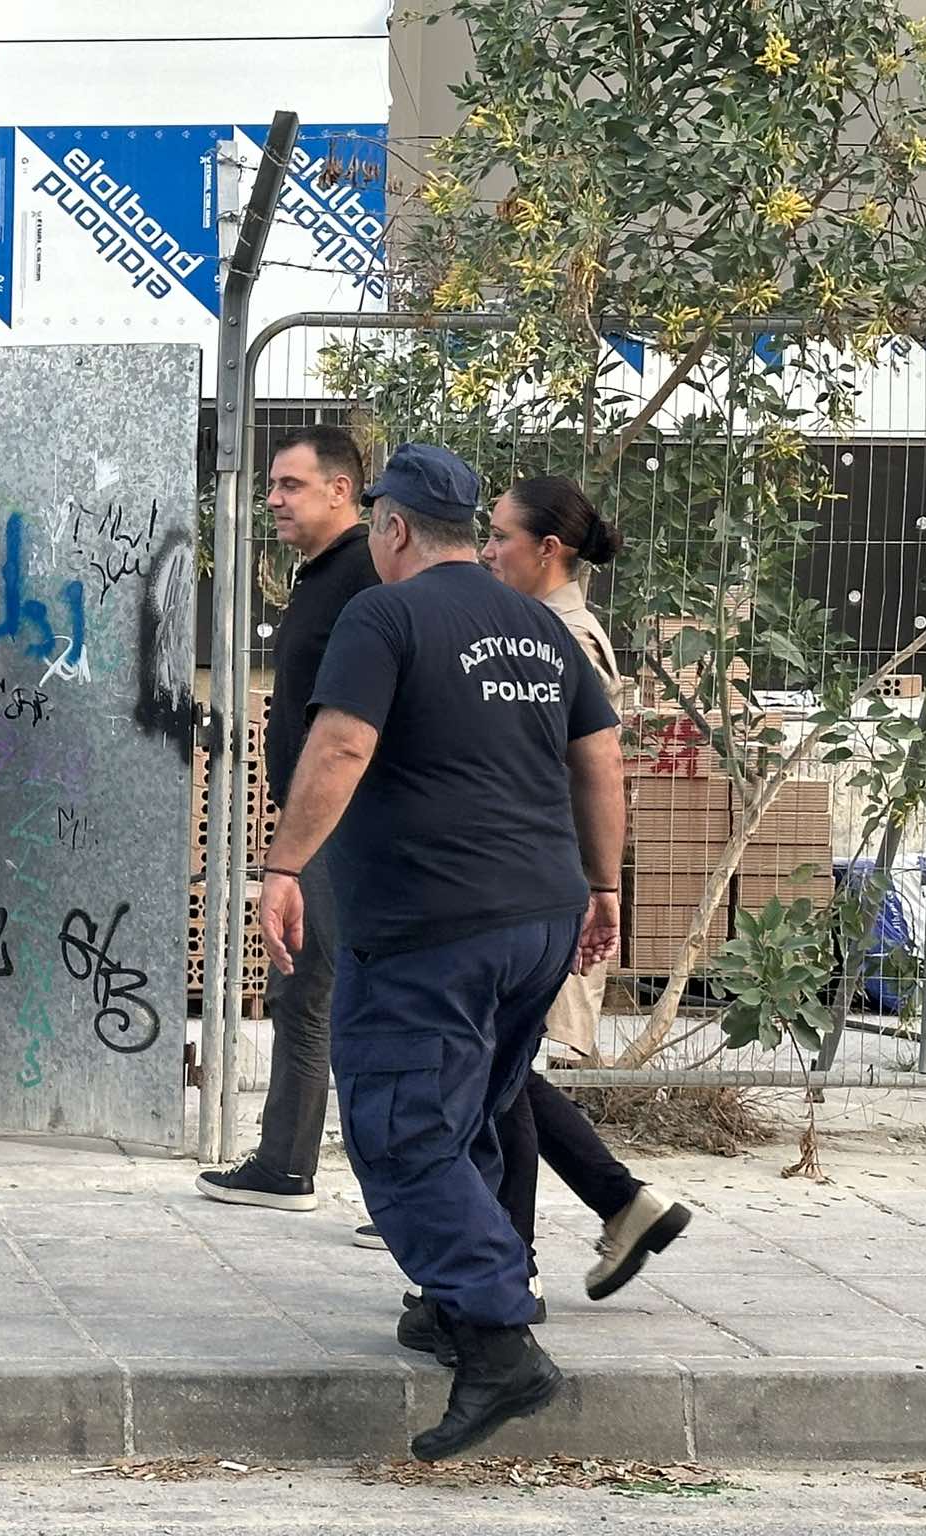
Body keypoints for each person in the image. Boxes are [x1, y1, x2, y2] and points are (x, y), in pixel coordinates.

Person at [258, 443, 625, 1461]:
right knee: (464, 1117)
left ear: (391, 527)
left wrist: (283, 866)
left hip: (433, 923)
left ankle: (499, 1342)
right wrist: (602, 887)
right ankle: (457, 1310)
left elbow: (341, 745)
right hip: (538, 917)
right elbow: (599, 760)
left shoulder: (384, 616)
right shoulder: (537, 624)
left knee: (402, 1131)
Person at [479, 476, 691, 1302]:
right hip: (533, 883)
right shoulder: (539, 627)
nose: (487, 551)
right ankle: (621, 1204)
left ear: (548, 550)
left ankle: (508, 1262)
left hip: (541, 887)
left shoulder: (565, 638)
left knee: (499, 1075)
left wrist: (595, 890)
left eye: (501, 536)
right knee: (502, 1070)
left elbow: (589, 772)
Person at [196, 427, 380, 1225]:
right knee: (305, 990)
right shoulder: (323, 574)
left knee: (332, 997)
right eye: (271, 484)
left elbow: (355, 726)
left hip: (350, 824)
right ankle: (287, 1164)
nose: (272, 498)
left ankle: (385, 1192)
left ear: (341, 490)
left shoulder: (367, 574)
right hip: (321, 825)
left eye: (290, 485)